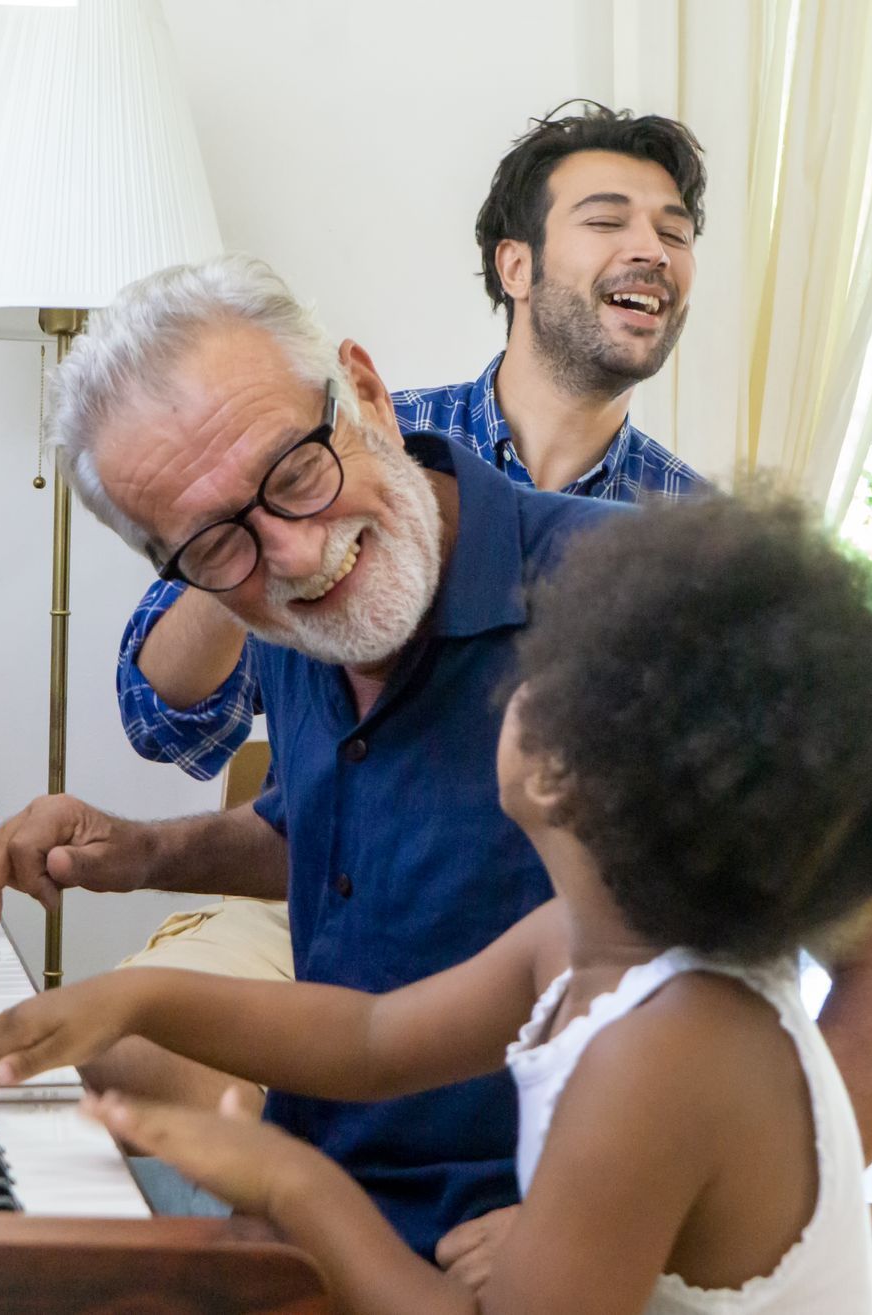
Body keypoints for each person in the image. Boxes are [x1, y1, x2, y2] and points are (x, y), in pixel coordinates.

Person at [0, 252, 872, 1266]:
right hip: (325, 1219)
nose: (292, 554)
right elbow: (344, 854)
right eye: (214, 545)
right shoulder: (287, 619)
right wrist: (146, 851)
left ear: (368, 392)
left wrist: (640, 1222)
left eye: (294, 471)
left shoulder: (641, 614)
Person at [0, 498, 872, 1314]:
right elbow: (370, 1040)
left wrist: (284, 1181)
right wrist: (132, 998)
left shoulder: (668, 1055)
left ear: (568, 775)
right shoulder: (583, 937)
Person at [89, 100, 711, 1114]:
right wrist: (255, 544)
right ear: (516, 265)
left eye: (675, 231)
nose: (652, 249)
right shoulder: (364, 444)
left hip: (545, 980)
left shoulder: (682, 544)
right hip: (311, 924)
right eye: (609, 220)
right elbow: (164, 715)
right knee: (122, 1043)